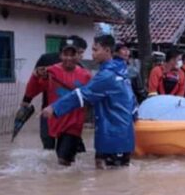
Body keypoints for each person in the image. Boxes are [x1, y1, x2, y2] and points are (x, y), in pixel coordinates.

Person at [43, 35, 136, 169]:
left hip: (111, 137)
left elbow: (82, 95)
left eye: (95, 50)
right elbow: (132, 101)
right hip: (124, 137)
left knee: (107, 179)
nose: (92, 54)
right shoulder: (121, 71)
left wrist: (54, 108)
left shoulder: (106, 76)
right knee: (116, 180)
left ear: (107, 50)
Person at [24, 39, 91, 165]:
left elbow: (93, 96)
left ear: (78, 56)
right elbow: (36, 87)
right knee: (56, 156)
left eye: (73, 54)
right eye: (66, 54)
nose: (69, 58)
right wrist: (26, 99)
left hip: (74, 123)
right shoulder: (49, 72)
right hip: (55, 120)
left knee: (63, 161)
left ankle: (66, 183)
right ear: (60, 55)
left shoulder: (86, 75)